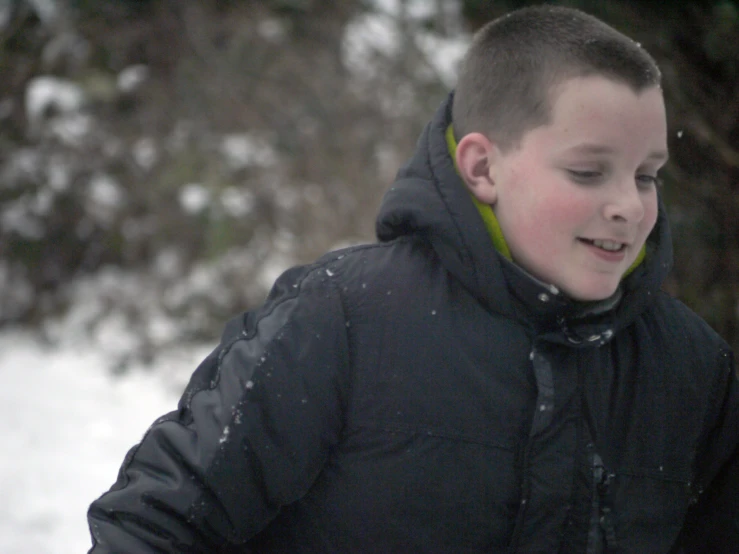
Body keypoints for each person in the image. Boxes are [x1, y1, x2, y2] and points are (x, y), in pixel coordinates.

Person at [87, 5, 739, 553]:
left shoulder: (691, 370)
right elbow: (157, 522)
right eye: (588, 171)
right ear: (483, 167)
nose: (629, 204)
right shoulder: (343, 318)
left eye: (647, 174)